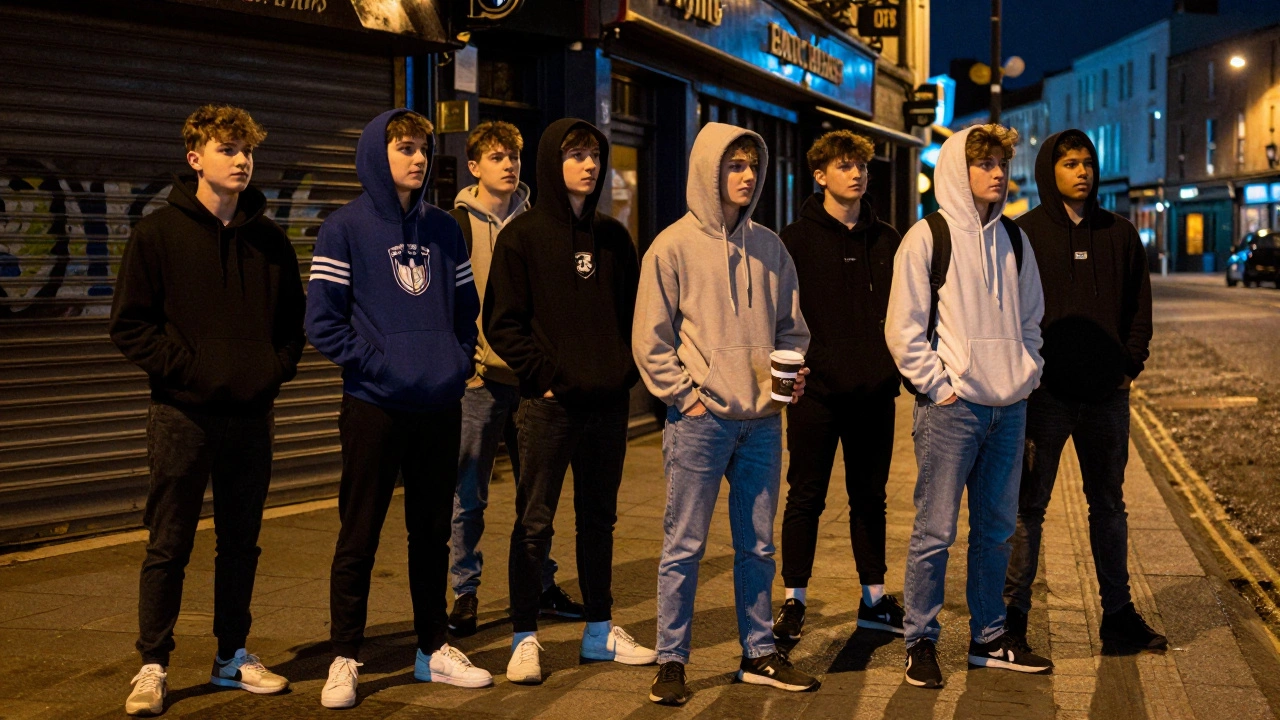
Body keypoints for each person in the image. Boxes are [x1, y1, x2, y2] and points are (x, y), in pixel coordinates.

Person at [111, 104, 303, 716]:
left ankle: (231, 656)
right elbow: (130, 326)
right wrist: (192, 371)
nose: (242, 160)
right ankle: (152, 664)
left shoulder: (270, 242)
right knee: (169, 544)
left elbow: (293, 329)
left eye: (248, 150)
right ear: (195, 158)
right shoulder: (158, 234)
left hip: (250, 417)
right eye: (228, 149)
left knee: (241, 544)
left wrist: (268, 372)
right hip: (181, 416)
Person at [306, 108, 492, 710]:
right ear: (376, 155)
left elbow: (466, 311)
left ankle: (432, 647)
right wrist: (383, 366)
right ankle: (344, 655)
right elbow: (322, 322)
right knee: (358, 534)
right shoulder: (344, 228)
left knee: (432, 533)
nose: (418, 158)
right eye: (405, 148)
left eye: (423, 148)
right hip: (374, 406)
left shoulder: (444, 229)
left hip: (437, 405)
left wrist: (453, 363)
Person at [634, 123, 816, 706]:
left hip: (761, 422)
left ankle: (758, 653)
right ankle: (671, 659)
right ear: (709, 171)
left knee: (758, 547)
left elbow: (792, 328)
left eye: (752, 166)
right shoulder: (671, 247)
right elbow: (650, 340)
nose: (746, 176)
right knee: (684, 546)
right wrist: (685, 396)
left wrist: (791, 376)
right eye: (734, 166)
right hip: (700, 420)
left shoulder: (771, 247)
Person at [484, 118, 657, 685]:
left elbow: (636, 316)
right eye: (577, 154)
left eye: (596, 156)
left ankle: (598, 629)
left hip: (606, 405)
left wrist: (623, 372)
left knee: (599, 521)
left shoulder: (614, 237)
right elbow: (501, 322)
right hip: (549, 406)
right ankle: (524, 637)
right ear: (551, 163)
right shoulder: (522, 236)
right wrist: (544, 377)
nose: (589, 165)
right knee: (534, 522)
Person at [885, 124, 1051, 689]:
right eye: (985, 164)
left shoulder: (1015, 240)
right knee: (935, 531)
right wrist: (939, 386)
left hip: (1009, 407)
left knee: (997, 531)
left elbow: (1031, 318)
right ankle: (921, 640)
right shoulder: (927, 237)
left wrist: (1027, 373)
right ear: (960, 169)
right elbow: (903, 329)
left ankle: (988, 638)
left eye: (1002, 163)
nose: (998, 173)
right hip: (952, 409)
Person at [1003, 130, 1164, 652]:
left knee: (1109, 506)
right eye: (1070, 163)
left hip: (1106, 399)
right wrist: (1025, 374)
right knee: (1028, 508)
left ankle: (1117, 616)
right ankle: (1012, 619)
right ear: (1049, 170)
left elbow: (1139, 308)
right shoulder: (1022, 235)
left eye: (1087, 162)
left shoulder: (1120, 233)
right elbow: (1006, 312)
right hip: (1045, 397)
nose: (1082, 172)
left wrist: (1129, 366)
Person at [447, 121, 583, 638]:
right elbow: (449, 304)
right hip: (480, 381)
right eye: (497, 157)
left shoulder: (537, 221)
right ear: (474, 166)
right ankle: (465, 591)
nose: (509, 165)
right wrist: (465, 367)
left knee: (537, 497)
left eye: (514, 157)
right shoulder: (457, 225)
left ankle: (540, 584)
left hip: (531, 382)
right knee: (469, 496)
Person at [775, 130, 905, 642]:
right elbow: (779, 314)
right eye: (845, 165)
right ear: (820, 175)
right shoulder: (794, 241)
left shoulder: (888, 240)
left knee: (870, 497)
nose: (856, 174)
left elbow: (907, 313)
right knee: (805, 495)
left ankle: (874, 598)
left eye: (861, 166)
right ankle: (794, 600)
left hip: (875, 392)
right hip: (816, 393)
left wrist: (894, 370)